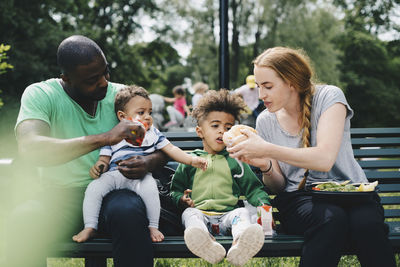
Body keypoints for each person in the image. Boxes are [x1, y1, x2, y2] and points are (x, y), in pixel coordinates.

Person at [227, 47, 396, 267]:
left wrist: (267, 149)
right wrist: (266, 166)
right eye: (258, 87)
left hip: (353, 193)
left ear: (291, 82)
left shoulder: (329, 97)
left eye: (268, 86)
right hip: (300, 199)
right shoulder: (265, 120)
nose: (261, 95)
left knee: (366, 225)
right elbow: (279, 187)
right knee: (331, 219)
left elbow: (324, 159)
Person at [8, 35, 167, 267]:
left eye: (106, 72)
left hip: (114, 190)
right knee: (23, 220)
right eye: (92, 79)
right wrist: (105, 138)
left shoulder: (122, 96)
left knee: (128, 210)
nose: (103, 82)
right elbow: (30, 147)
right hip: (58, 196)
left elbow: (161, 149)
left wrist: (148, 162)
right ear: (67, 79)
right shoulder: (42, 95)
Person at [73, 85, 207, 244]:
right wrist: (99, 167)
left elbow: (170, 149)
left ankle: (153, 226)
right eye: (141, 112)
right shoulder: (114, 134)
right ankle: (90, 226)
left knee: (150, 190)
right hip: (115, 174)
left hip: (141, 177)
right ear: (123, 117)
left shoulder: (153, 134)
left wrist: (191, 160)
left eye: (150, 112)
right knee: (94, 188)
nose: (148, 117)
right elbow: (104, 158)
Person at [170, 89, 270, 267]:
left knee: (242, 213)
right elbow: (175, 190)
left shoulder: (235, 161)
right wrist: (181, 199)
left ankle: (240, 244)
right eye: (215, 126)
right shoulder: (190, 161)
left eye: (228, 128)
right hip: (201, 216)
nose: (222, 132)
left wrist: (263, 204)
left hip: (228, 218)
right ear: (200, 131)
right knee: (189, 214)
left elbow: (253, 188)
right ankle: (206, 243)